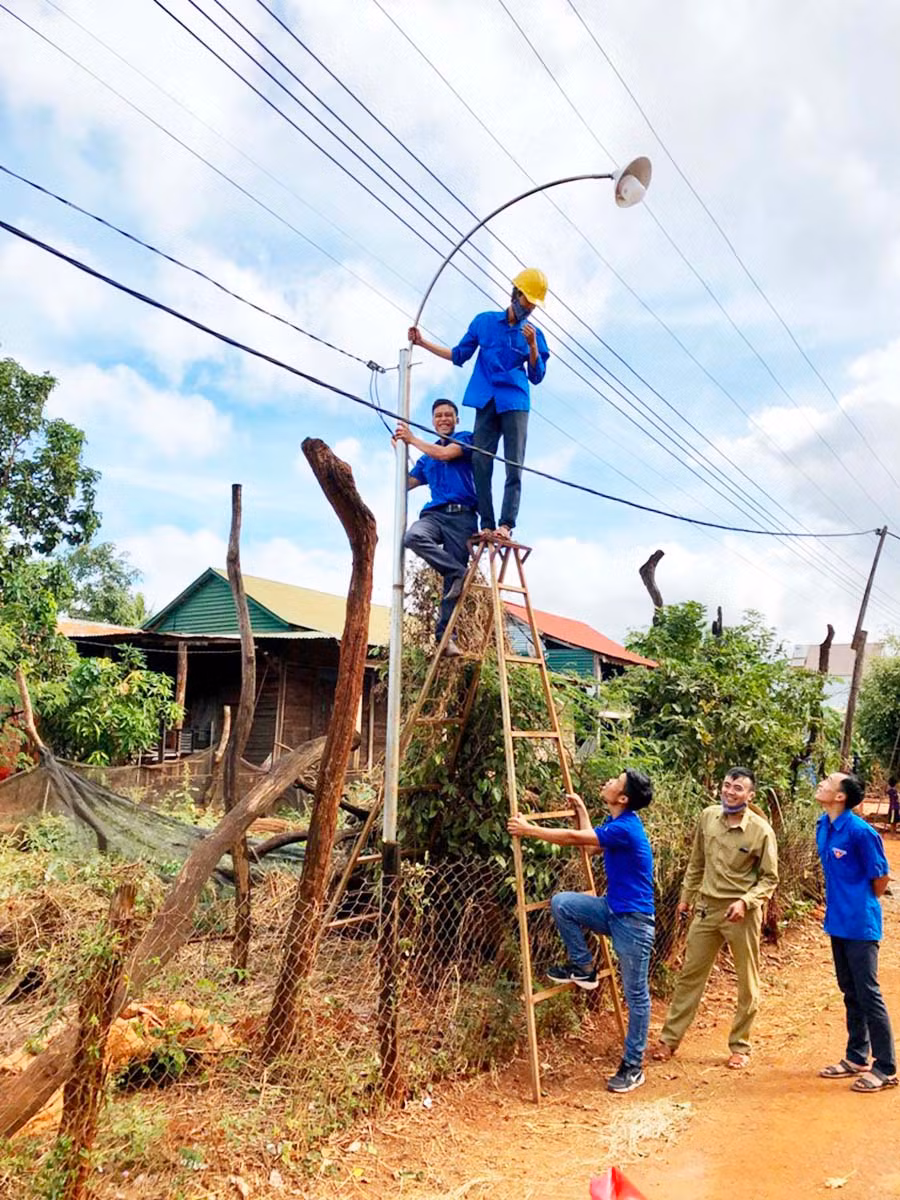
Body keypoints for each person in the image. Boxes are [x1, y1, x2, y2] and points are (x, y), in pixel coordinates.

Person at [507, 770, 655, 1094]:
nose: (609, 782)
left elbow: (576, 840)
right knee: (564, 904)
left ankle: (633, 1066)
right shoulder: (618, 825)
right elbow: (590, 847)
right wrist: (584, 813)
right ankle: (584, 968)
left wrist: (528, 829)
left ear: (623, 798)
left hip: (633, 922)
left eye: (615, 781)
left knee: (636, 996)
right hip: (612, 910)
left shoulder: (627, 829)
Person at [407, 268, 550, 541]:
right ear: (515, 294)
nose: (529, 308)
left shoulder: (534, 333)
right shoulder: (484, 322)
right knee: (481, 461)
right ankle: (486, 522)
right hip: (486, 399)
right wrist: (422, 342)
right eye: (526, 301)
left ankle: (506, 524)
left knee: (513, 463)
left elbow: (536, 375)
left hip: (515, 401)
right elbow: (459, 354)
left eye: (533, 304)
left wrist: (532, 346)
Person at [650, 767, 778, 1069]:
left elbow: (769, 879)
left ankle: (740, 1045)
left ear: (750, 795)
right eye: (727, 785)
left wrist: (746, 902)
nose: (730, 792)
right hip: (707, 909)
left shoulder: (761, 831)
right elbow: (697, 861)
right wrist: (686, 898)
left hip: (741, 915)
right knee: (689, 976)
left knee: (747, 981)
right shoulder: (708, 817)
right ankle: (669, 1041)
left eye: (738, 788)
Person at [815, 772, 897, 1092]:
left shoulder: (861, 832)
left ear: (841, 797)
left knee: (868, 993)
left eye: (829, 781)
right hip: (837, 921)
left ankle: (886, 1067)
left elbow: (881, 877)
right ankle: (856, 1056)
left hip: (861, 924)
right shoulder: (823, 826)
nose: (822, 782)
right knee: (849, 990)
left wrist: (860, 904)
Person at [394, 398, 477, 657]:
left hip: (462, 518)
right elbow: (406, 483)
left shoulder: (464, 438)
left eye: (448, 415)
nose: (443, 419)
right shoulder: (425, 459)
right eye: (439, 415)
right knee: (413, 537)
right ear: (433, 420)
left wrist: (412, 439)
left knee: (449, 588)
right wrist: (397, 452)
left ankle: (445, 639)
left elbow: (444, 453)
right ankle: (457, 571)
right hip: (435, 515)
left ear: (456, 419)